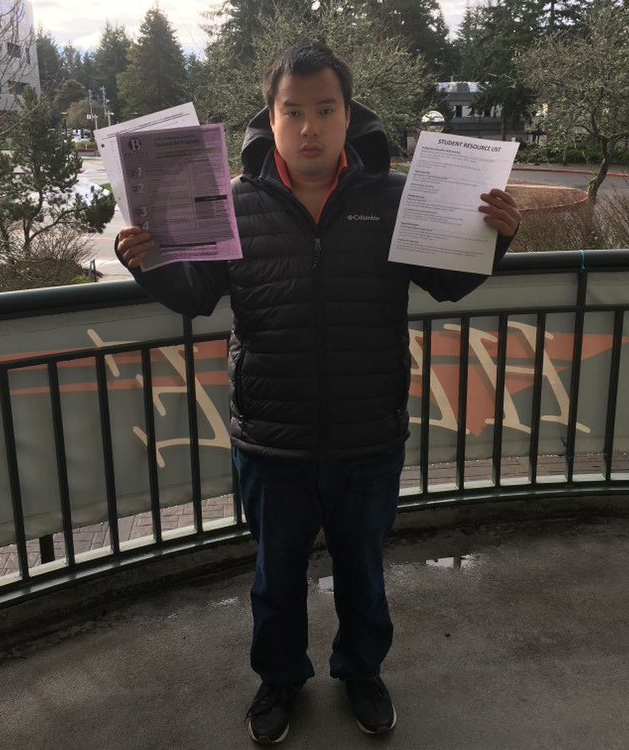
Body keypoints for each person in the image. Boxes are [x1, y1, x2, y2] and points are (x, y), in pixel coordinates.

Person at [117, 42, 521, 745]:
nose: (310, 126)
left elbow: (449, 282)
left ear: (347, 113)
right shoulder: (231, 205)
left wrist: (497, 238)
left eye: (325, 110)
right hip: (272, 438)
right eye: (293, 111)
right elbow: (194, 298)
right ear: (269, 119)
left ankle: (360, 671)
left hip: (370, 432)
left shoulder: (394, 199)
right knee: (276, 579)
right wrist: (144, 264)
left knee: (364, 571)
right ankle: (279, 681)